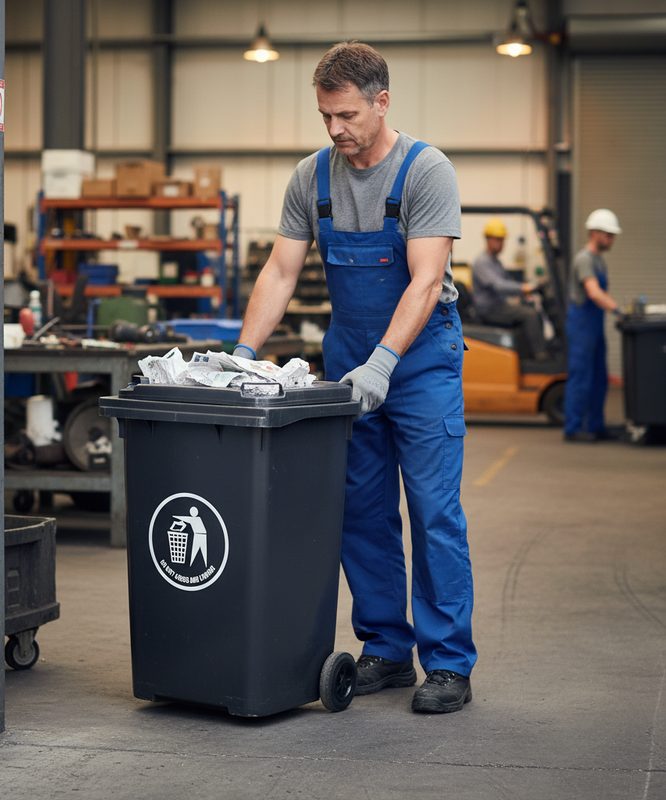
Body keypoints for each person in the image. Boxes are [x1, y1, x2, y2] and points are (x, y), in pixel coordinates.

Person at [233, 41, 476, 713]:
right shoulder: (311, 178)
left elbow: (426, 281)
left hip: (420, 363)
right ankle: (387, 649)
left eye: (347, 115)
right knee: (361, 512)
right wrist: (241, 355)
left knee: (433, 512)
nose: (335, 129)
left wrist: (385, 362)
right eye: (325, 116)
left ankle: (448, 663)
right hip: (349, 364)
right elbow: (281, 271)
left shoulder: (427, 171)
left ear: (382, 102)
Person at [563, 209, 622, 442]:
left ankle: (596, 426)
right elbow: (594, 292)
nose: (612, 240)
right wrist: (618, 310)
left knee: (599, 377)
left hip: (594, 326)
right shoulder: (585, 259)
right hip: (582, 325)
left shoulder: (599, 260)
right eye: (609, 235)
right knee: (581, 377)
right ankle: (573, 428)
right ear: (595, 233)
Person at [471, 219, 548, 359]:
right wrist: (523, 288)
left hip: (499, 305)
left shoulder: (495, 261)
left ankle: (527, 352)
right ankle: (540, 354)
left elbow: (507, 281)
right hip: (489, 309)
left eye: (502, 240)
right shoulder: (482, 263)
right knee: (530, 315)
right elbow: (498, 285)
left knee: (529, 307)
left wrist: (523, 292)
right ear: (488, 239)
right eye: (498, 240)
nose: (501, 244)